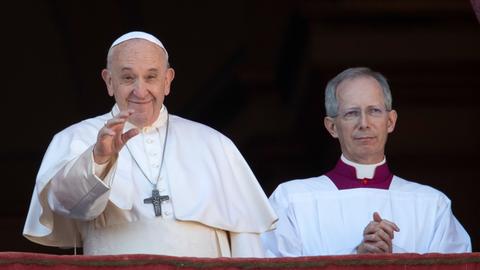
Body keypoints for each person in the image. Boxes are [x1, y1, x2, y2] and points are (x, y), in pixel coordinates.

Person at [23, 31, 277, 257]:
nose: (140, 91)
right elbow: (68, 206)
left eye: (151, 77)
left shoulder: (214, 144)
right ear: (109, 81)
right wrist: (99, 159)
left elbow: (246, 235)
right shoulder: (76, 138)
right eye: (127, 78)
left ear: (167, 80)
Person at [261, 67, 471, 256]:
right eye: (352, 113)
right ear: (332, 127)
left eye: (374, 111)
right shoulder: (291, 201)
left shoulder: (432, 206)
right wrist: (356, 257)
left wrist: (391, 256)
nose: (364, 123)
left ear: (390, 121)